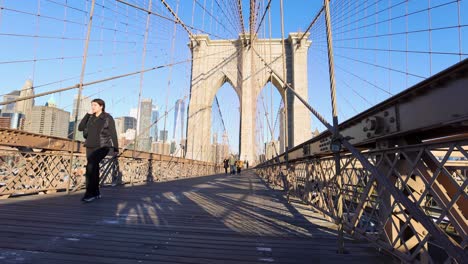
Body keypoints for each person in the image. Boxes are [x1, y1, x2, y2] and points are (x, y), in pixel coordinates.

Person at [78, 98, 119, 203]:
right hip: (90, 146)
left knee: (90, 167)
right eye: (92, 105)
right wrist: (87, 115)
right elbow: (80, 127)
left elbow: (113, 133)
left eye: (95, 105)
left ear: (101, 106)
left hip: (102, 146)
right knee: (94, 168)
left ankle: (89, 193)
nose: (93, 107)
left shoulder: (108, 118)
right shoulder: (91, 117)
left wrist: (116, 148)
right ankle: (96, 192)